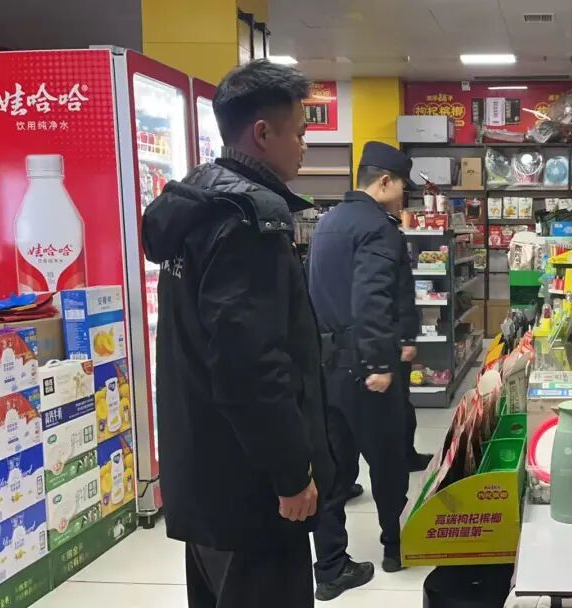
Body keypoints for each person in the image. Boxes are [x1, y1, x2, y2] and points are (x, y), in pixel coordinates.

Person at [140, 59, 370, 608]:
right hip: (250, 488)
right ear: (263, 134)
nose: (305, 146)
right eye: (300, 133)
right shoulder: (249, 222)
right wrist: (291, 475)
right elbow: (252, 367)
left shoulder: (196, 202)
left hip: (203, 471)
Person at [308, 141, 413, 582]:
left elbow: (313, 292)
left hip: (326, 367)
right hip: (365, 368)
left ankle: (331, 567)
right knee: (388, 462)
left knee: (332, 470)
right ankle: (394, 548)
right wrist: (379, 364)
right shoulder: (378, 228)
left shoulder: (327, 223)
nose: (405, 196)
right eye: (403, 186)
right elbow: (371, 298)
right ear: (384, 182)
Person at [396, 226, 434, 472]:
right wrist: (407, 338)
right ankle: (403, 461)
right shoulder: (383, 233)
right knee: (398, 408)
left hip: (339, 350)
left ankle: (342, 484)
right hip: (388, 346)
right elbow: (400, 293)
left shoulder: (326, 228)